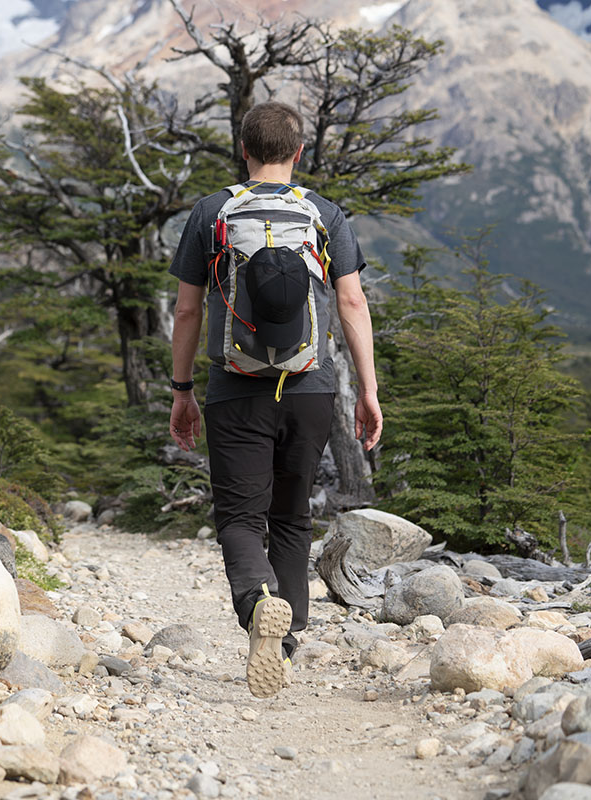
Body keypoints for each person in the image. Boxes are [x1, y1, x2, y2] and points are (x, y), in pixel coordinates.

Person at [167, 101, 382, 698]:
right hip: (310, 389)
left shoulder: (213, 212)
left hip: (235, 390)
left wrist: (182, 390)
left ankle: (259, 602)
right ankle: (283, 644)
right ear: (298, 152)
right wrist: (366, 389)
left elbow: (187, 309)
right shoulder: (323, 213)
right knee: (293, 517)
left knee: (239, 518)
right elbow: (353, 304)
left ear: (243, 149)